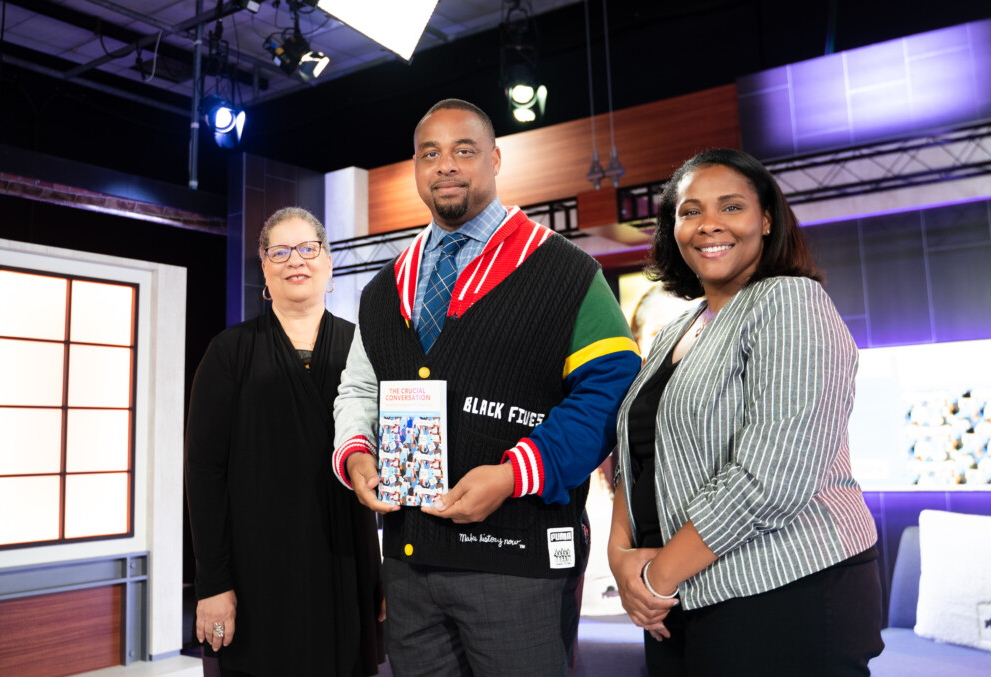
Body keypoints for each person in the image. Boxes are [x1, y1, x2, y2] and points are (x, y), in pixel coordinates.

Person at [331, 99, 642, 677]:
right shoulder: (382, 291)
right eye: (430, 153)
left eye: (464, 150)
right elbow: (358, 390)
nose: (445, 165)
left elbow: (610, 389)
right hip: (409, 567)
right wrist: (357, 456)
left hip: (517, 566)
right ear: (416, 169)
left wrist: (512, 474)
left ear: (496, 159)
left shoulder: (567, 272)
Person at [608, 148, 883, 676]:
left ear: (765, 220)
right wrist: (621, 557)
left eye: (730, 207)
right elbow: (639, 453)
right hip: (681, 595)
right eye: (690, 211)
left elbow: (772, 475)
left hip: (785, 587)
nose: (709, 224)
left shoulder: (789, 301)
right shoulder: (675, 329)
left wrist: (658, 576)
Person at [185, 207, 384, 676]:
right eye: (279, 251)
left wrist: (387, 573)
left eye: (308, 248)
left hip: (344, 557)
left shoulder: (365, 347)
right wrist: (212, 583)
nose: (295, 260)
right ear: (265, 271)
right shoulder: (229, 352)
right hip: (256, 568)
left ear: (328, 263)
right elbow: (203, 471)